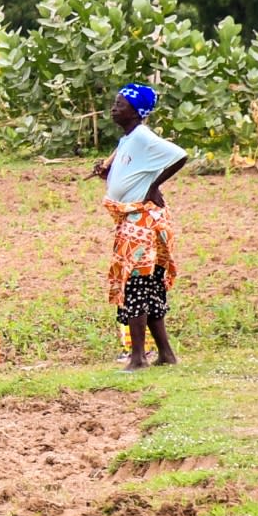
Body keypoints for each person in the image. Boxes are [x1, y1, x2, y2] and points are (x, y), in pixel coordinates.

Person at [89, 83, 189, 372]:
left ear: (135, 111)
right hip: (133, 221)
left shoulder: (143, 136)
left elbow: (179, 155)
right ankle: (166, 354)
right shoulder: (127, 140)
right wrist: (106, 173)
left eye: (120, 103)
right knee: (149, 288)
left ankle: (137, 358)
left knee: (136, 288)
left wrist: (154, 185)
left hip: (142, 222)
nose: (113, 108)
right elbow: (127, 173)